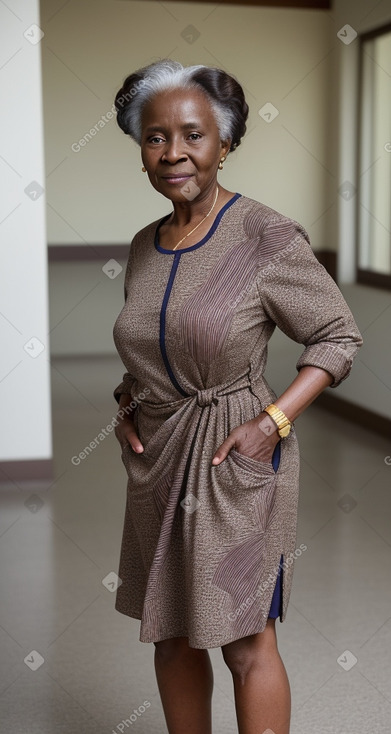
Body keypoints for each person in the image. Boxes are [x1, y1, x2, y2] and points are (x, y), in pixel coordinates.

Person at [111, 59, 363, 734]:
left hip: (233, 456)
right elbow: (146, 344)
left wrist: (271, 422)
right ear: (140, 150)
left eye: (192, 135)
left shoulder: (265, 237)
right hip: (159, 458)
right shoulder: (142, 247)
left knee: (245, 638)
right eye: (155, 137)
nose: (173, 153)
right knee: (169, 631)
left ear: (224, 144)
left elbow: (337, 337)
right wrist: (127, 404)